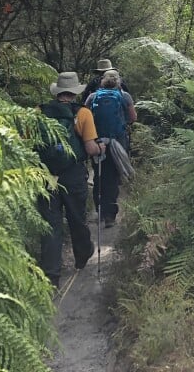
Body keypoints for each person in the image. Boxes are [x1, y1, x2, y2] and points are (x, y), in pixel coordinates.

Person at [37, 72, 104, 287]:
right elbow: (90, 148)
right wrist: (101, 148)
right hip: (73, 174)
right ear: (75, 92)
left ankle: (51, 276)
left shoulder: (38, 112)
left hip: (45, 174)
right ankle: (82, 256)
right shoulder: (83, 114)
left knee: (51, 224)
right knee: (77, 218)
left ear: (57, 91)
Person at [86, 69, 136, 227]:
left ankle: (98, 211)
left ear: (102, 81)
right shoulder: (124, 96)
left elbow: (85, 116)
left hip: (97, 141)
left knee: (99, 174)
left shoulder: (93, 96)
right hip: (117, 141)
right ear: (118, 81)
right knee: (113, 177)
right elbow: (133, 117)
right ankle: (110, 217)